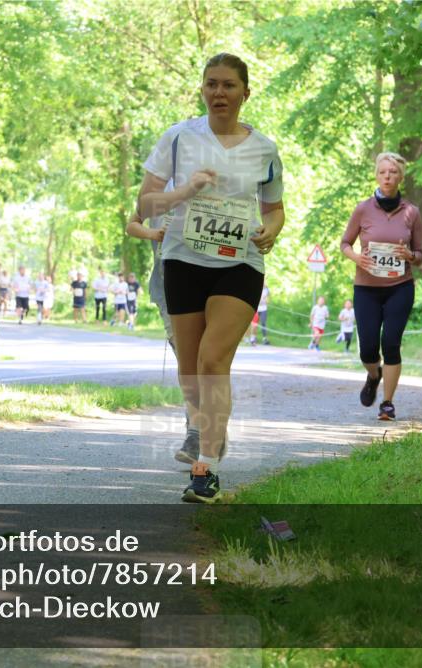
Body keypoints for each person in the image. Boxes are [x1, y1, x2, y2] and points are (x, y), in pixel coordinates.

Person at [138, 53, 284, 502]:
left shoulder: (265, 149)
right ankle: (209, 435)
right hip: (183, 259)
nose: (219, 93)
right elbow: (145, 205)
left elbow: (275, 210)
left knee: (212, 360)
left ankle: (207, 469)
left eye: (228, 85)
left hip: (239, 263)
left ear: (245, 92)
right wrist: (186, 190)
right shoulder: (179, 138)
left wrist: (270, 233)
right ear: (202, 89)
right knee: (189, 369)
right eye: (211, 84)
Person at [340, 152, 422, 421]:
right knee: (367, 348)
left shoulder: (412, 212)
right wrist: (357, 258)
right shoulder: (363, 209)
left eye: (393, 172)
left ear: (401, 176)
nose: (388, 176)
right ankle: (373, 374)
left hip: (400, 286)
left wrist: (410, 256)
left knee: (391, 343)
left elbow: (421, 255)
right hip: (366, 288)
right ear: (376, 175)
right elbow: (344, 244)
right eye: (383, 172)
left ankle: (387, 403)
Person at [125, 204, 202, 465]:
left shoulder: (210, 185)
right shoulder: (156, 188)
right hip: (167, 289)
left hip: (207, 286)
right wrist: (154, 234)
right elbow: (132, 224)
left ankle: (210, 424)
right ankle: (196, 432)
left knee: (209, 359)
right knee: (188, 360)